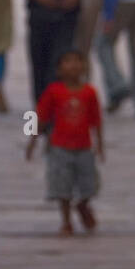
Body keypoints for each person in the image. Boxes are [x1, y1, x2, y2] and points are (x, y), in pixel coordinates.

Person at [26, 48, 103, 236]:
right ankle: (66, 221)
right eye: (67, 62)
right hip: (60, 147)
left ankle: (83, 205)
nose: (73, 65)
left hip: (84, 147)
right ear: (59, 69)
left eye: (77, 61)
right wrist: (32, 141)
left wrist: (100, 144)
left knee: (89, 184)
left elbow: (96, 120)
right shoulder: (54, 92)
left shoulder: (90, 93)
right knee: (62, 187)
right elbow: (41, 117)